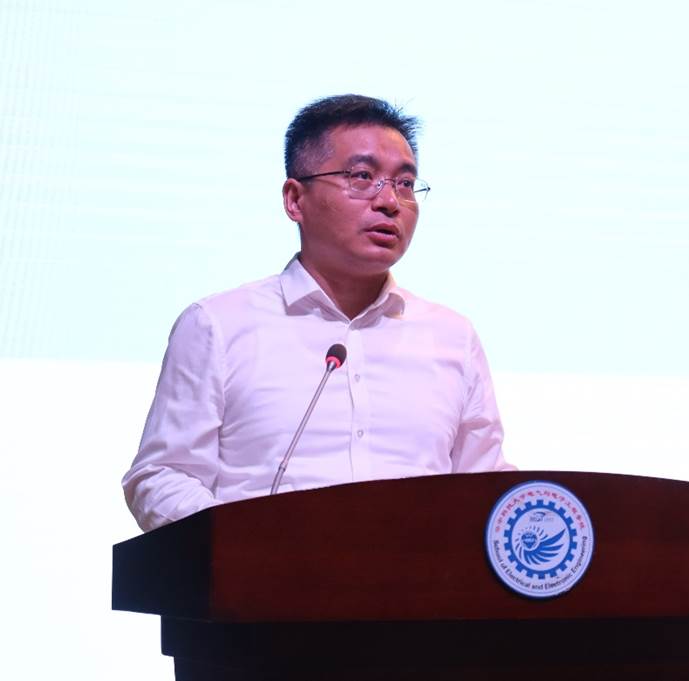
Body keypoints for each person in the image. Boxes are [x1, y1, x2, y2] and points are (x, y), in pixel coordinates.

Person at [123, 95, 513, 532]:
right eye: (362, 177)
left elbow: (486, 488)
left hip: (417, 576)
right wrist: (248, 545)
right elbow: (163, 478)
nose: (390, 201)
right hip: (264, 573)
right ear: (295, 200)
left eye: (405, 183)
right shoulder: (217, 325)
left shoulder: (451, 336)